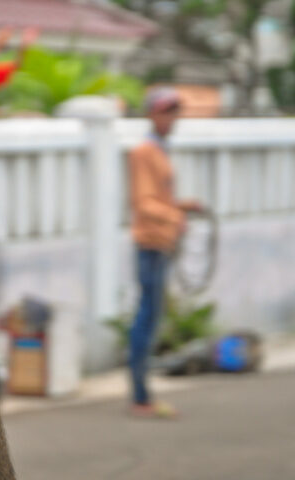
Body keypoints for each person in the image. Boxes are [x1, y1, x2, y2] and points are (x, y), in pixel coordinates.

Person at [127, 88, 201, 418]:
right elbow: (144, 203)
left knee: (150, 316)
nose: (172, 119)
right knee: (146, 318)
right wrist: (175, 217)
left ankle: (142, 393)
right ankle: (140, 395)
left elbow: (157, 197)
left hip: (161, 244)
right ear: (153, 114)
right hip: (151, 244)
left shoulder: (158, 150)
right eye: (166, 112)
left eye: (174, 112)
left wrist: (183, 206)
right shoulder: (145, 151)